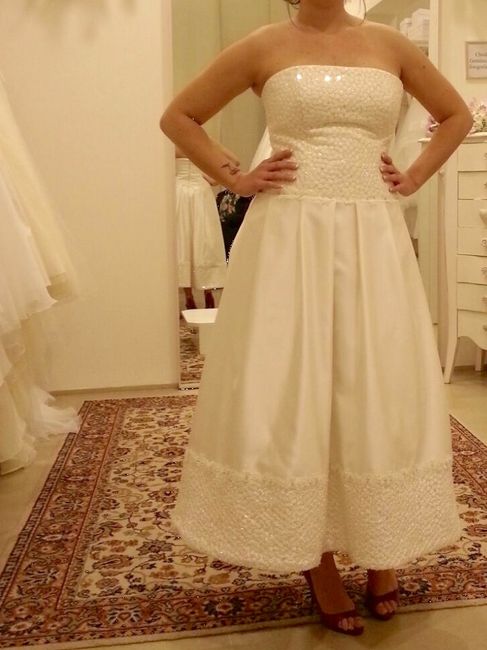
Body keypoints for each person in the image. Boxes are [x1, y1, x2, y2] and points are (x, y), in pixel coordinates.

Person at [160, 0, 472, 636]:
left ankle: (383, 546)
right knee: (295, 385)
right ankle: (316, 561)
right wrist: (236, 176)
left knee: (375, 382)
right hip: (288, 237)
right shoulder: (263, 44)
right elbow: (179, 117)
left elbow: (456, 116)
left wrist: (413, 176)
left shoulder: (390, 44)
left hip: (373, 237)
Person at [175, 146, 228, 310]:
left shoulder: (172, 146)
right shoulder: (201, 145)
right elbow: (232, 162)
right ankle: (207, 293)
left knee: (183, 240)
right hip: (200, 192)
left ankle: (189, 297)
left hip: (179, 192)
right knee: (204, 238)